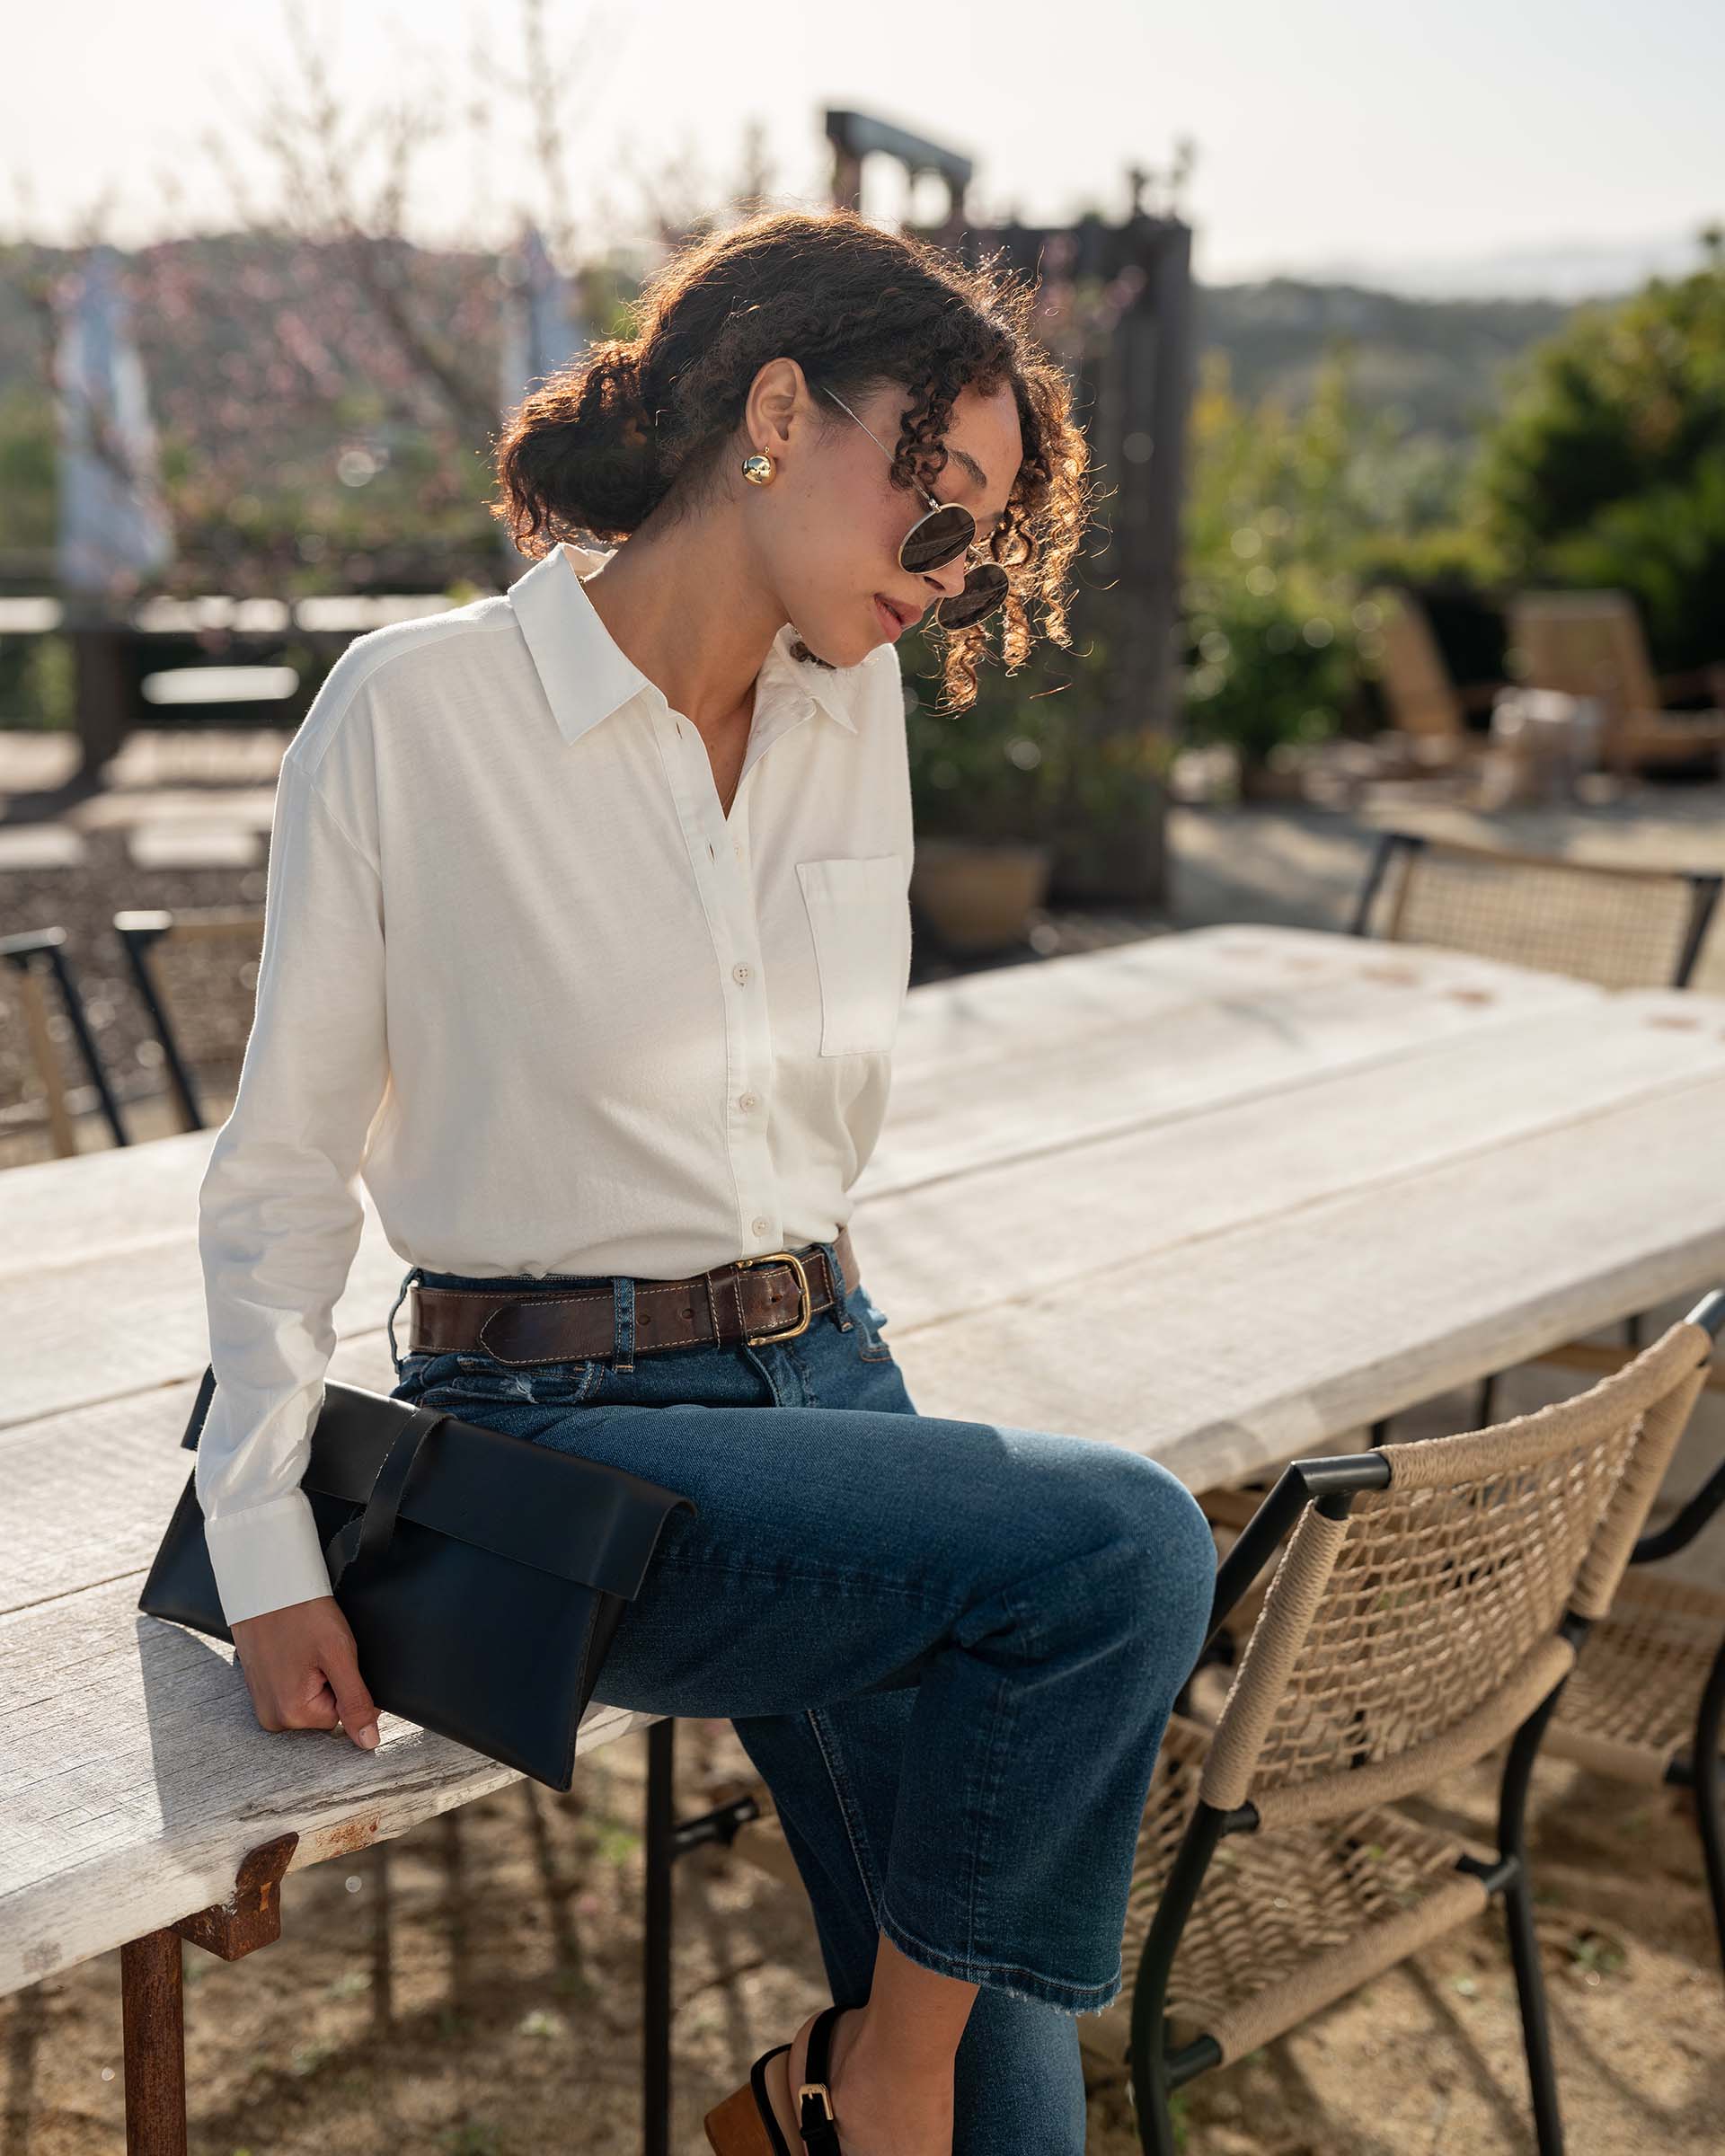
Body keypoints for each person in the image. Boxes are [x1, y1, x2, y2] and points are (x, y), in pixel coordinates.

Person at [194, 204, 1216, 2156]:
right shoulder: (415, 712)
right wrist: (260, 1542)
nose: (962, 570)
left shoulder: (857, 710)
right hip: (564, 1440)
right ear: (776, 414)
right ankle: (867, 2084)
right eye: (944, 506)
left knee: (1013, 2079)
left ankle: (878, 2087)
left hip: (829, 1379)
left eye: (994, 536)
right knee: (1124, 1553)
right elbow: (288, 1159)